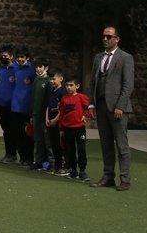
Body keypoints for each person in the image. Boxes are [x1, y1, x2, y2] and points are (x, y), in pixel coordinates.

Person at [87, 25, 135, 190]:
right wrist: (91, 103)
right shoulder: (98, 58)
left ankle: (125, 179)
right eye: (104, 36)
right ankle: (108, 176)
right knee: (106, 144)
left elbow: (128, 85)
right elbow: (93, 81)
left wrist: (120, 106)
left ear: (117, 39)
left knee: (121, 145)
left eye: (109, 36)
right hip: (100, 106)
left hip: (117, 108)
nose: (105, 39)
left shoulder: (125, 58)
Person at [57, 77, 91, 181]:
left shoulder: (82, 97)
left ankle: (82, 170)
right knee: (70, 150)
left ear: (77, 86)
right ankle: (73, 170)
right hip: (67, 128)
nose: (68, 87)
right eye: (67, 85)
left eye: (71, 85)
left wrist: (85, 115)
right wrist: (61, 129)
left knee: (81, 149)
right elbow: (62, 114)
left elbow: (89, 109)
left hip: (79, 128)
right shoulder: (64, 99)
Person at [10, 51, 34, 166]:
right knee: (17, 133)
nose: (20, 59)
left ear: (27, 57)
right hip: (15, 106)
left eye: (22, 57)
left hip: (26, 107)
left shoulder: (32, 69)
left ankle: (29, 158)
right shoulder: (13, 67)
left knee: (27, 134)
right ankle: (22, 157)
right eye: (18, 57)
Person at [0, 45, 16, 163]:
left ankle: (17, 154)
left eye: (6, 56)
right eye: (2, 56)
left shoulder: (16, 69)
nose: (3, 58)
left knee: (15, 130)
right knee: (6, 130)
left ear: (11, 56)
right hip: (0, 104)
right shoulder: (0, 69)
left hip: (13, 105)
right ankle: (9, 154)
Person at [29, 61, 52, 170]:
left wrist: (47, 115)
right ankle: (38, 161)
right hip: (35, 115)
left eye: (40, 66)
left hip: (45, 116)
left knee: (47, 140)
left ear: (46, 68)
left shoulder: (48, 81)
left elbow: (48, 100)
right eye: (36, 67)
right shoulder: (36, 80)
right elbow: (33, 99)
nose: (38, 69)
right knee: (38, 139)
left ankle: (50, 162)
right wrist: (31, 114)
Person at [43, 70, 65, 174]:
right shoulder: (52, 90)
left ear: (60, 79)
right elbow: (48, 106)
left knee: (59, 144)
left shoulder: (62, 92)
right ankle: (56, 166)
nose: (52, 81)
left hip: (57, 123)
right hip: (50, 121)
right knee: (53, 144)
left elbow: (62, 109)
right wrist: (47, 118)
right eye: (51, 79)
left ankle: (61, 166)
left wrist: (55, 120)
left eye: (54, 79)